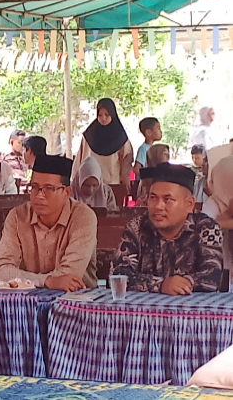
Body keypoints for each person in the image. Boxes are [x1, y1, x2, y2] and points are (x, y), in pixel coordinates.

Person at [111, 163, 223, 294]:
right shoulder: (137, 227)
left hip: (193, 306)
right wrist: (161, 285)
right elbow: (119, 274)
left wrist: (179, 285)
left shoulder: (206, 228)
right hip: (145, 306)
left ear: (189, 204)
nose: (158, 206)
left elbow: (211, 277)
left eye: (167, 199)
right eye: (153, 197)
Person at [0, 155, 98, 291]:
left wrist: (29, 280)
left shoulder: (83, 217)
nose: (39, 195)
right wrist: (46, 281)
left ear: (66, 192)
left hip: (77, 299)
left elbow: (69, 277)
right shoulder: (17, 217)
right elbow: (0, 271)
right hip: (27, 300)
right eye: (34, 187)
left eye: (49, 188)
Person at [72, 98, 134, 190]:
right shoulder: (89, 135)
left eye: (107, 115)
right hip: (89, 186)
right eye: (100, 115)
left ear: (112, 114)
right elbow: (80, 159)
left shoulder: (120, 137)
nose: (103, 118)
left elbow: (126, 160)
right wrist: (74, 180)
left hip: (112, 184)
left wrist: (125, 178)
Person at [202, 156, 233, 281]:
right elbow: (205, 229)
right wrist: (225, 218)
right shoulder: (212, 205)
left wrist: (223, 223)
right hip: (219, 274)